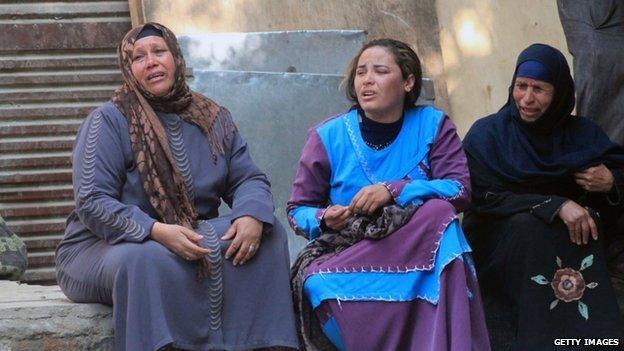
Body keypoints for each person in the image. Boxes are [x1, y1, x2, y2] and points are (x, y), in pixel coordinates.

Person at [55, 22, 298, 351]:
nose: (151, 62)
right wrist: (154, 230)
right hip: (104, 247)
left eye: (159, 51)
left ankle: (261, 345)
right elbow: (92, 201)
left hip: (188, 236)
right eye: (138, 57)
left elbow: (248, 178)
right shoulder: (109, 121)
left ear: (176, 58)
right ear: (128, 69)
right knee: (143, 259)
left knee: (270, 235)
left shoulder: (212, 118)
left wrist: (251, 214)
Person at [287, 38, 490, 351]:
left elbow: (459, 190)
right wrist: (324, 218)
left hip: (416, 247)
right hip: (353, 248)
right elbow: (298, 209)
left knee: (440, 215)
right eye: (361, 73)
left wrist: (394, 190)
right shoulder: (328, 135)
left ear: (408, 82)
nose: (367, 80)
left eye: (380, 71)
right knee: (317, 282)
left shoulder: (432, 125)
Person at [463, 43, 624, 350]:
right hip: (500, 240)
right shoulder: (489, 135)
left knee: (578, 226)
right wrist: (554, 205)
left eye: (539, 89)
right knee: (532, 228)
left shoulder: (582, 134)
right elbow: (480, 197)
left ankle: (592, 342)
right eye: (521, 86)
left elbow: (617, 172)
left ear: (560, 92)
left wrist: (610, 182)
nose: (526, 98)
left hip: (574, 236)